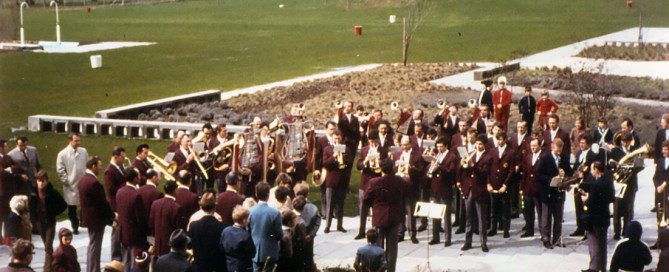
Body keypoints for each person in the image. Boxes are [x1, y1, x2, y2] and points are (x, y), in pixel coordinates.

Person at [363, 159, 405, 272]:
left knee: (378, 246)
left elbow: (365, 199)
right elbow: (406, 192)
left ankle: (378, 269)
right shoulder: (399, 180)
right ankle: (391, 270)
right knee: (392, 248)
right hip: (394, 217)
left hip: (379, 216)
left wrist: (375, 206)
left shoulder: (374, 182)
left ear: (381, 169)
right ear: (392, 168)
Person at [79, 156, 116, 272]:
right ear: (93, 166)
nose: (101, 168)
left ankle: (92, 268)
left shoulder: (83, 179)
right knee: (95, 247)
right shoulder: (94, 183)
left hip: (89, 218)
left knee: (92, 246)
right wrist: (113, 216)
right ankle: (94, 269)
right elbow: (103, 203)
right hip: (96, 220)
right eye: (99, 165)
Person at [537, 139, 573, 249]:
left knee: (558, 217)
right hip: (548, 192)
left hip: (559, 193)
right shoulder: (544, 158)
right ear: (552, 147)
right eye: (557, 151)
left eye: (560, 151)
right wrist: (551, 180)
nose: (558, 153)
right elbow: (539, 175)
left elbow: (570, 172)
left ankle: (557, 238)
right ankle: (546, 239)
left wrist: (565, 173)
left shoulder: (564, 158)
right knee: (546, 218)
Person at [29, 170, 67, 272]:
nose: (41, 183)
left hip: (50, 221)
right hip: (39, 222)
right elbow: (30, 207)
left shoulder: (52, 192)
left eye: (43, 181)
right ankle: (54, 262)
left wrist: (53, 212)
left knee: (48, 247)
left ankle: (47, 269)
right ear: (36, 181)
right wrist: (33, 218)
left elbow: (63, 205)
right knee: (47, 246)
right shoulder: (33, 192)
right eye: (39, 181)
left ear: (47, 181)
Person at [460, 134, 492, 252]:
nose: (477, 146)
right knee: (469, 218)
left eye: (480, 144)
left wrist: (473, 166)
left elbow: (484, 173)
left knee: (481, 219)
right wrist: (466, 165)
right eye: (476, 144)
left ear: (484, 145)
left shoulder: (488, 157)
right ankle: (467, 242)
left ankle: (483, 243)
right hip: (469, 189)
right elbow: (464, 173)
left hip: (480, 190)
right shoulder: (470, 155)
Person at [581, 161, 614, 272]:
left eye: (592, 169)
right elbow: (611, 198)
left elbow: (590, 202)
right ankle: (603, 267)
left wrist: (585, 199)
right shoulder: (609, 181)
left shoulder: (596, 184)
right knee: (603, 244)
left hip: (594, 218)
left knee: (594, 244)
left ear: (596, 170)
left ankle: (594, 268)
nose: (591, 171)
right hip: (604, 216)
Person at [426, 136, 458, 246]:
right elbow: (430, 168)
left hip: (445, 188)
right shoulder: (437, 155)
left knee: (446, 216)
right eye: (437, 146)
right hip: (435, 188)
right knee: (435, 214)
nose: (439, 149)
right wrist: (431, 167)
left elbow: (450, 171)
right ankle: (435, 237)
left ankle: (447, 238)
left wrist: (439, 167)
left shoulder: (452, 157)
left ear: (446, 146)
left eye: (441, 147)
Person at [116, 168, 149, 272]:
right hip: (135, 235)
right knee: (136, 261)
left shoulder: (120, 192)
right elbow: (140, 218)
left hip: (123, 233)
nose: (140, 178)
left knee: (126, 260)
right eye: (138, 176)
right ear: (135, 179)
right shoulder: (136, 195)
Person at [355, 131, 386, 239]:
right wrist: (366, 160)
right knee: (363, 207)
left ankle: (375, 230)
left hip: (377, 181)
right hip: (365, 183)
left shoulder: (383, 150)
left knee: (376, 208)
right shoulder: (364, 150)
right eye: (371, 141)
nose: (373, 143)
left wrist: (379, 161)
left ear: (378, 140)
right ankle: (361, 231)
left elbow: (386, 166)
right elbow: (358, 166)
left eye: (375, 141)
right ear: (368, 141)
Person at [188, 190, 227, 272]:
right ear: (214, 208)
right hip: (217, 266)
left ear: (201, 207)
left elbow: (189, 245)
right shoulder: (222, 226)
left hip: (199, 266)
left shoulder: (194, 226)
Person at [610, 131, 639, 240]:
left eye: (627, 142)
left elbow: (638, 167)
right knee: (617, 208)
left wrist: (633, 167)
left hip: (630, 183)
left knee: (629, 209)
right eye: (623, 141)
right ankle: (616, 232)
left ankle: (626, 231)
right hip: (619, 183)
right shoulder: (615, 151)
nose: (625, 144)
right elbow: (611, 165)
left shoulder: (633, 151)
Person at [248, 182, 283, 272]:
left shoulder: (250, 211)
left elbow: (248, 230)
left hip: (254, 251)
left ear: (256, 194)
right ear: (268, 195)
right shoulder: (275, 213)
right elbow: (279, 234)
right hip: (270, 251)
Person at [322, 131, 353, 233]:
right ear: (332, 139)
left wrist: (344, 157)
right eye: (335, 139)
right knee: (330, 203)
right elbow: (325, 163)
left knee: (340, 204)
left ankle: (339, 225)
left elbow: (350, 163)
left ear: (341, 138)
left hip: (342, 180)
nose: (337, 140)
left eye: (338, 138)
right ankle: (327, 226)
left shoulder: (346, 149)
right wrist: (334, 157)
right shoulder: (327, 149)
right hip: (331, 180)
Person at [570, 134, 598, 237]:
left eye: (583, 143)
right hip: (578, 184)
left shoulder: (592, 155)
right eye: (580, 143)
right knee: (578, 207)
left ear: (589, 144)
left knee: (586, 207)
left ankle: (587, 229)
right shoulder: (578, 154)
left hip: (587, 184)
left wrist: (584, 174)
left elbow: (592, 171)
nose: (581, 145)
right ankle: (580, 228)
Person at [488, 132, 515, 238]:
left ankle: (505, 229)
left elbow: (511, 170)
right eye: (497, 139)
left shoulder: (510, 152)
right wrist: (489, 183)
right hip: (494, 184)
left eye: (501, 140)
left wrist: (505, 185)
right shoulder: (492, 151)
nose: (499, 142)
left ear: (505, 140)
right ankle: (493, 228)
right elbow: (489, 169)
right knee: (493, 209)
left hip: (504, 185)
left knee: (505, 208)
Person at [150, 180, 185, 258]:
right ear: (175, 190)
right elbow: (178, 229)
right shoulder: (177, 207)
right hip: (169, 247)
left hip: (158, 244)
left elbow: (151, 223)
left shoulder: (155, 203)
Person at [520, 138, 545, 237]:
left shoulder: (543, 157)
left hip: (538, 189)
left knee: (540, 212)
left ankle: (543, 232)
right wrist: (522, 188)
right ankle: (529, 230)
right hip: (528, 188)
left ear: (539, 146)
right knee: (528, 211)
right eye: (531, 146)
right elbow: (525, 174)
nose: (533, 148)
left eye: (535, 146)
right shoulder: (528, 156)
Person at [105, 146, 126, 262]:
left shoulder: (121, 167)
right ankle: (115, 257)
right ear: (115, 157)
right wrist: (125, 185)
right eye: (122, 157)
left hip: (121, 203)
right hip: (115, 205)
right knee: (116, 232)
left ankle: (120, 254)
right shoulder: (109, 171)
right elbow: (111, 190)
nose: (124, 159)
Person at [221, 206, 255, 272]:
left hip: (229, 265)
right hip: (243, 267)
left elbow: (221, 247)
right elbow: (252, 253)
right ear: (244, 220)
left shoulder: (225, 231)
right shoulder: (245, 235)